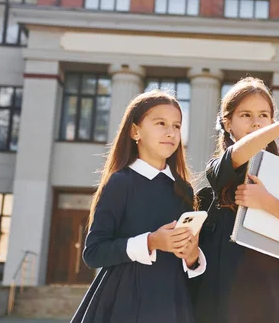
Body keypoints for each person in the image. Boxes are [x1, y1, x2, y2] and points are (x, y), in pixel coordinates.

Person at [195, 77, 279, 323]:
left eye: (264, 116)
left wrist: (268, 202)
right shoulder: (220, 169)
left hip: (275, 298)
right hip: (227, 300)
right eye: (245, 115)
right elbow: (240, 151)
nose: (256, 123)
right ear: (228, 123)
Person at [71, 90, 206, 323]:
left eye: (176, 126)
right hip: (125, 302)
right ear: (135, 131)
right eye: (160, 123)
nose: (170, 132)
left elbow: (189, 266)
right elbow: (93, 253)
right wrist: (151, 241)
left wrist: (193, 256)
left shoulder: (184, 190)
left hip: (172, 303)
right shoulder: (121, 183)